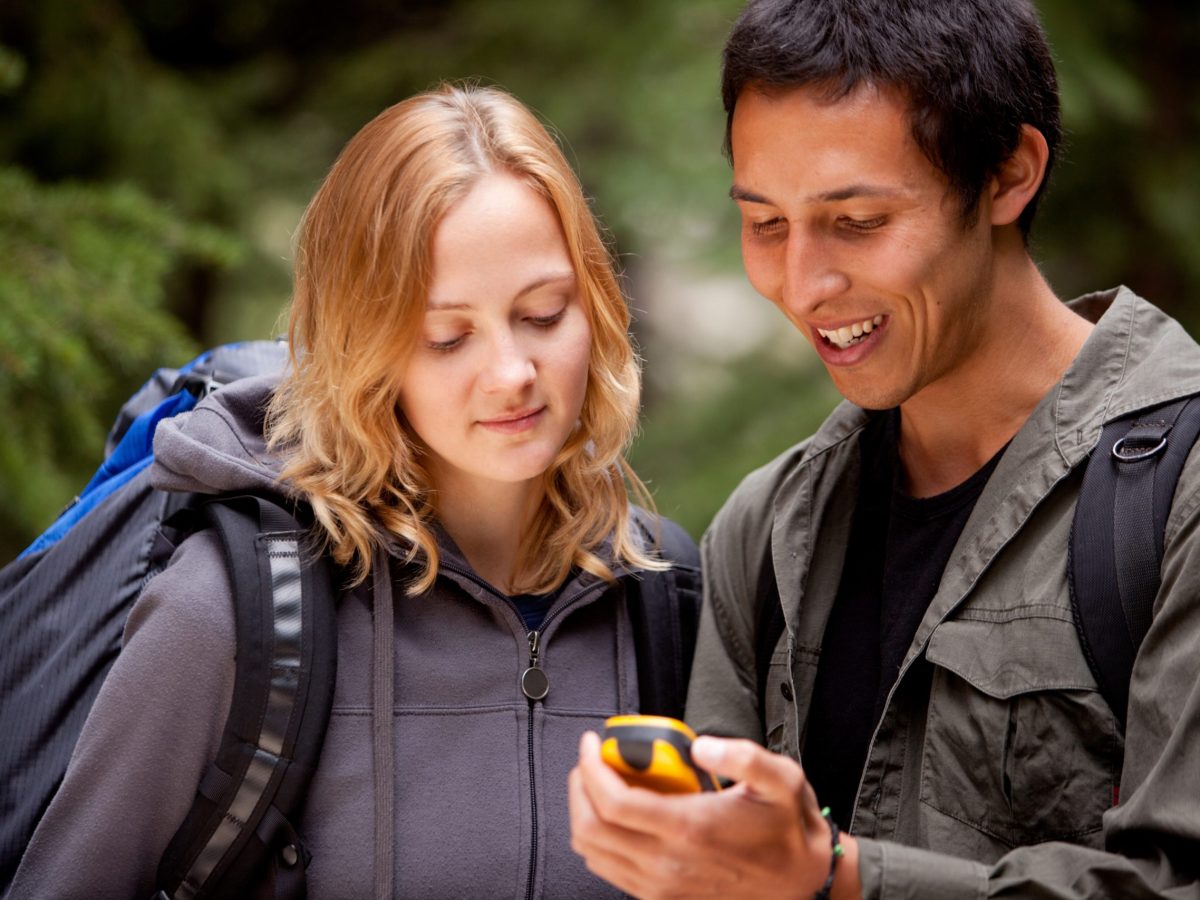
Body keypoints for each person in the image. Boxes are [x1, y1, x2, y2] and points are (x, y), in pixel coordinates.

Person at [569, 0, 1200, 897]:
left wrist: (838, 877)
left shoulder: (1179, 494)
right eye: (765, 224)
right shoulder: (770, 526)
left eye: (858, 221)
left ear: (1008, 174)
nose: (802, 285)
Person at [8, 83, 698, 899]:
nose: (513, 373)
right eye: (448, 337)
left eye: (544, 315)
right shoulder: (230, 617)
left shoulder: (663, 595)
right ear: (367, 352)